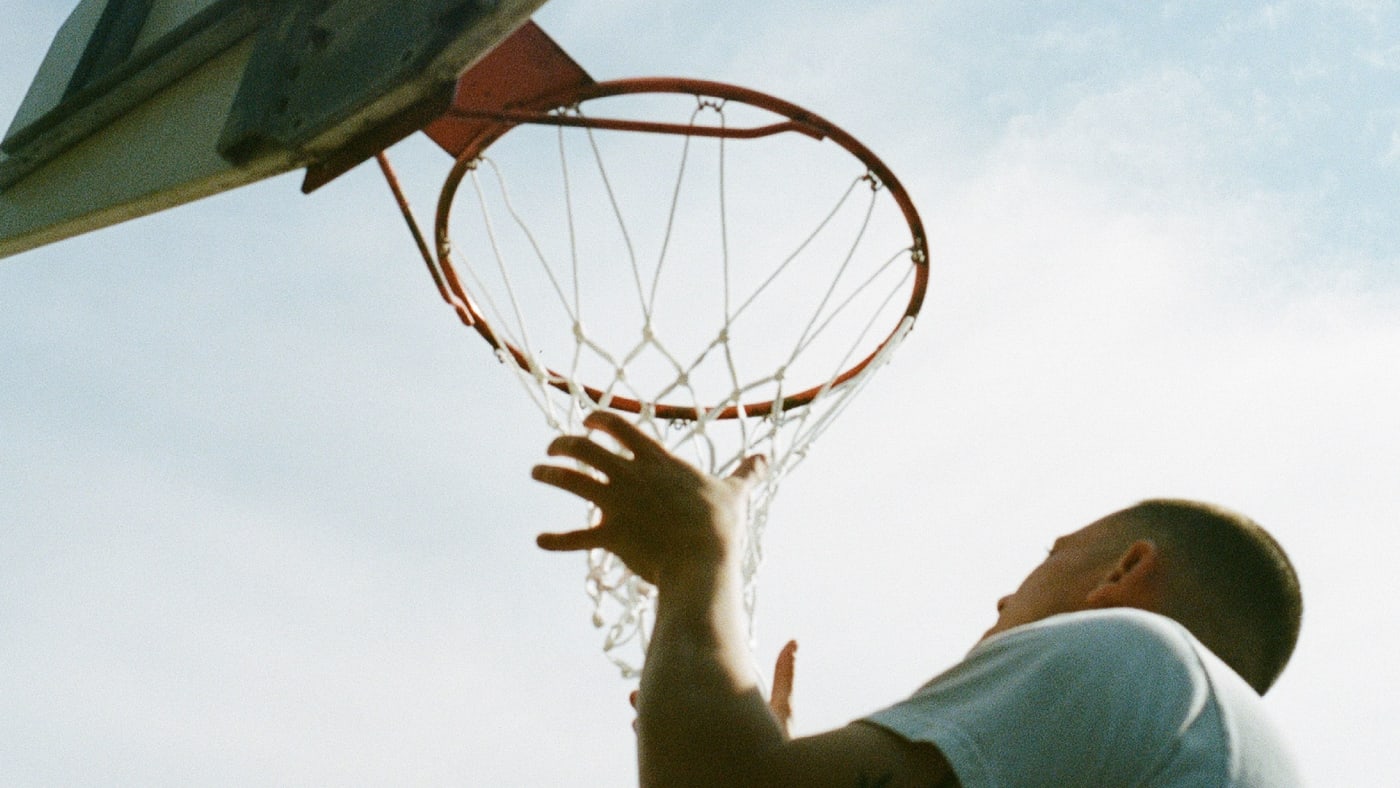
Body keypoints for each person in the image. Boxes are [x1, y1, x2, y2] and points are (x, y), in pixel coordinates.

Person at [533, 411, 1304, 787]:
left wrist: (694, 555)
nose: (1005, 597)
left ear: (1124, 570)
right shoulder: (1235, 753)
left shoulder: (1136, 655)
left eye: (1047, 558)